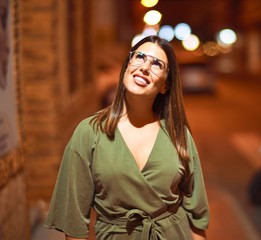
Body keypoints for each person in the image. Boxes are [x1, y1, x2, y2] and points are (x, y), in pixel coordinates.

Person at [44, 35, 210, 240]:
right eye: (139, 57)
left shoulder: (178, 134)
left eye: (157, 64)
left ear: (165, 85)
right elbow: (74, 225)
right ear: (126, 67)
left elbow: (197, 221)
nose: (145, 67)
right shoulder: (89, 132)